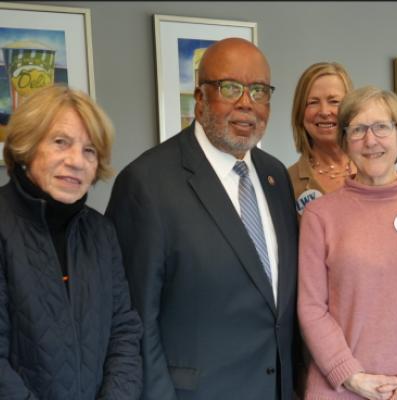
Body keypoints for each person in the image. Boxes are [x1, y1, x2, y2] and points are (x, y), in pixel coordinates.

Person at [106, 38, 298, 400]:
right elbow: (134, 321)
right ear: (199, 98)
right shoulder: (147, 183)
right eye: (230, 87)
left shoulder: (275, 176)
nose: (247, 103)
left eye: (259, 90)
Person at [298, 86, 397, 399]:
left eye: (382, 127)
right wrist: (351, 376)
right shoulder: (319, 215)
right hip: (339, 389)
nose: (370, 141)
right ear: (345, 142)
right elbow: (311, 308)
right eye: (357, 129)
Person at [0, 85, 142, 399]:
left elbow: (124, 333)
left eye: (89, 150)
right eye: (61, 142)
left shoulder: (102, 233)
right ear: (27, 145)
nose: (76, 161)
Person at [288, 62, 354, 215]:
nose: (324, 111)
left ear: (350, 109)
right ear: (300, 113)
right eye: (313, 102)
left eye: (334, 101)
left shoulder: (373, 169)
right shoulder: (286, 182)